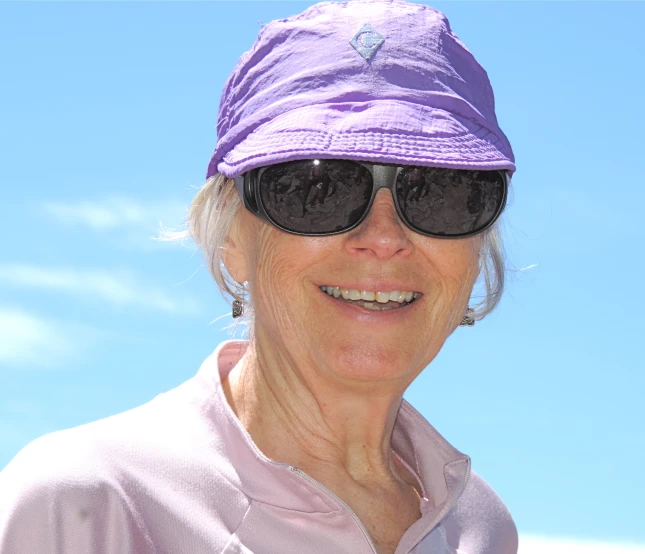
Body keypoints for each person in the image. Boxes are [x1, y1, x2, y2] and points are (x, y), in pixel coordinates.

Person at [0, 0, 518, 552]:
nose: (384, 237)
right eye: (316, 190)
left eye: (442, 194)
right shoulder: (87, 505)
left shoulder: (480, 527)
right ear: (230, 236)